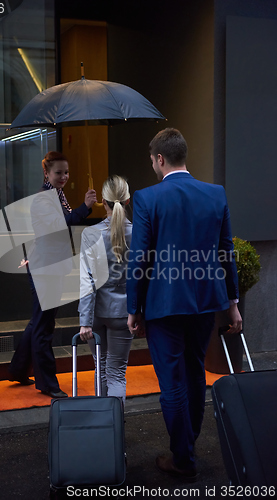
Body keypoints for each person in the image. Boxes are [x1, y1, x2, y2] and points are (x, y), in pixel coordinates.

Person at [126, 128, 242, 480]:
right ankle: (186, 447)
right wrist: (233, 304)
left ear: (160, 159)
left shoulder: (147, 198)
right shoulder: (215, 193)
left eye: (152, 161)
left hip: (164, 305)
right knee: (194, 374)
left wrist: (134, 307)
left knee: (172, 381)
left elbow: (139, 258)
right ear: (182, 155)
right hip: (206, 302)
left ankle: (183, 459)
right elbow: (227, 252)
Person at [9, 151, 97, 398]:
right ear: (46, 172)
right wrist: (85, 207)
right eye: (59, 172)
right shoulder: (44, 198)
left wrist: (84, 208)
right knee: (44, 327)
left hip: (48, 265)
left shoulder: (56, 195)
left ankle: (18, 370)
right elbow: (60, 226)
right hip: (45, 268)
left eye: (66, 172)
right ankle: (47, 383)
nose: (64, 176)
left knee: (39, 322)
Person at [79, 175, 133, 405]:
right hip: (125, 312)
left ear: (103, 201)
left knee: (100, 368)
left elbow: (86, 281)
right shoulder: (141, 232)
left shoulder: (90, 234)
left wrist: (85, 320)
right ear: (128, 200)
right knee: (117, 373)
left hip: (97, 312)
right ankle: (116, 429)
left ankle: (104, 428)